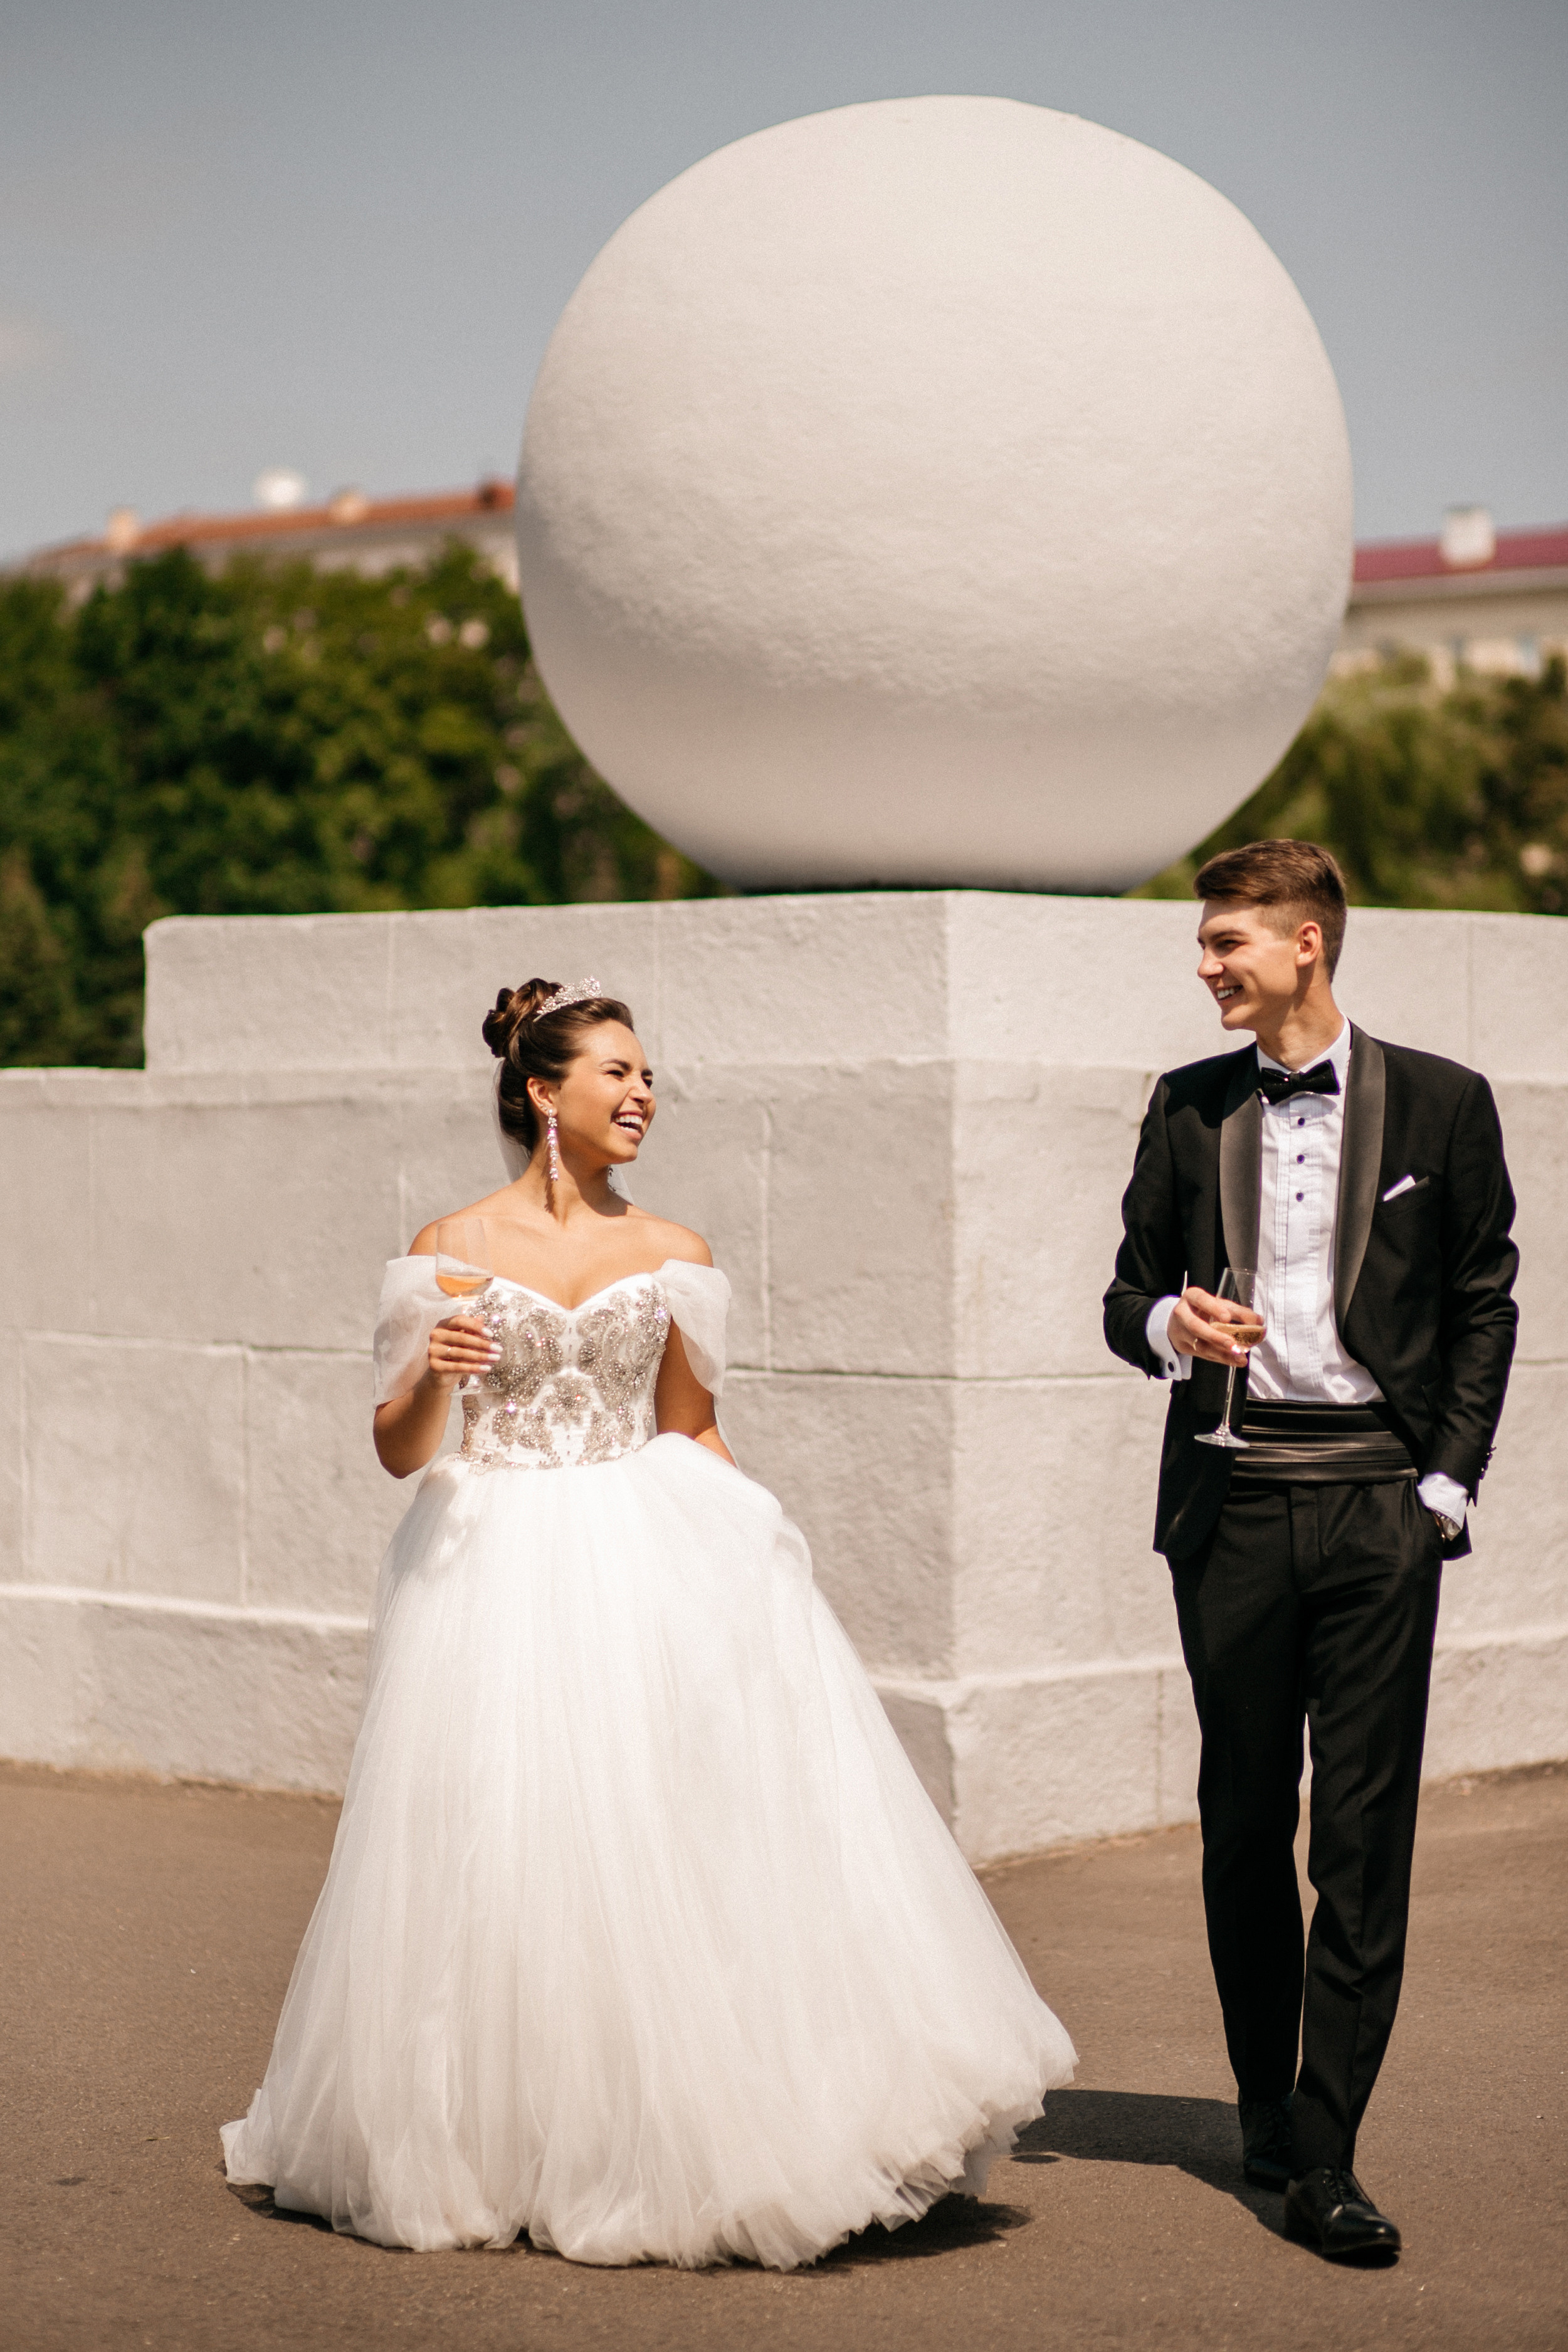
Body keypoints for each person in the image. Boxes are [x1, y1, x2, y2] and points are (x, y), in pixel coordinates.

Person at [223, 976, 1074, 2267]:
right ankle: (502, 2144)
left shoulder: (679, 1252)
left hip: (646, 1552)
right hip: (494, 1562)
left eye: (649, 1074)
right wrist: (432, 1382)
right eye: (615, 1072)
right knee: (508, 1850)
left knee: (665, 1844)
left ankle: (665, 2135)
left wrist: (759, 1546)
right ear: (540, 1090)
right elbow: (397, 1448)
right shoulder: (450, 1242)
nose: (643, 1094)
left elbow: (686, 1421)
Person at [1103, 842, 1517, 2262]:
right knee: (1239, 1823)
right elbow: (1124, 1293)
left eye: (1229, 942)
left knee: (1361, 1838)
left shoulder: (1445, 1103)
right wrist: (1172, 1326)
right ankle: (1263, 2104)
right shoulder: (1186, 1104)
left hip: (1376, 1504)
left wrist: (1445, 1488)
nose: (1208, 966)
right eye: (1205, 944)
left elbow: (1483, 1302)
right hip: (1230, 1504)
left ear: (1306, 946)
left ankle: (1328, 2153)